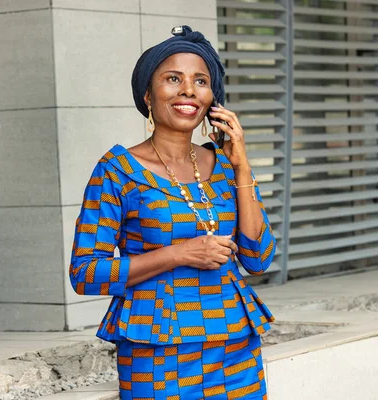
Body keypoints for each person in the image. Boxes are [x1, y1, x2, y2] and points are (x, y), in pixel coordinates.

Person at [70, 25, 276, 400]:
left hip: (235, 349)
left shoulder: (227, 166)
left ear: (213, 99)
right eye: (173, 78)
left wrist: (243, 165)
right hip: (158, 351)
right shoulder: (117, 170)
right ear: (148, 94)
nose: (188, 90)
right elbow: (85, 274)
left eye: (201, 80)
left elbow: (258, 258)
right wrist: (179, 254)